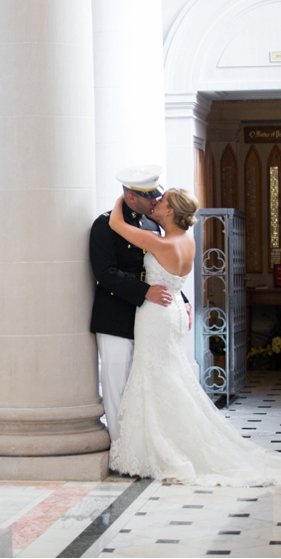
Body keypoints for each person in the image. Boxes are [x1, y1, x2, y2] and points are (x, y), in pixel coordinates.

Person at [106, 187, 281, 486]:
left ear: (170, 212)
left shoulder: (159, 243)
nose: (155, 202)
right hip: (174, 307)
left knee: (155, 377)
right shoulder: (186, 241)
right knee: (168, 377)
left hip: (158, 315)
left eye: (161, 201)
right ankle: (169, 440)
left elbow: (115, 224)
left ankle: (164, 448)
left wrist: (123, 195)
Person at [89, 165, 190, 441]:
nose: (155, 200)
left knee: (143, 387)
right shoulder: (105, 225)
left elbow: (163, 267)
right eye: (149, 197)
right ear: (131, 198)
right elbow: (105, 273)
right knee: (117, 386)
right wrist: (144, 291)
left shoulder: (151, 224)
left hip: (147, 317)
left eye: (157, 195)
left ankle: (142, 444)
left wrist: (182, 299)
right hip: (115, 316)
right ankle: (120, 446)